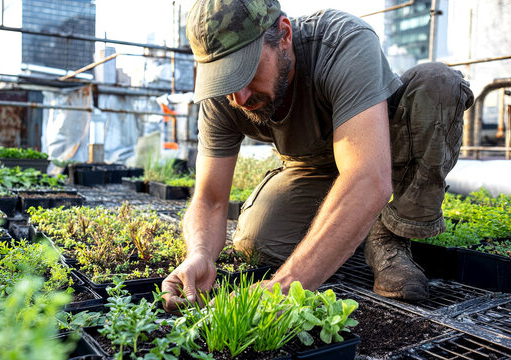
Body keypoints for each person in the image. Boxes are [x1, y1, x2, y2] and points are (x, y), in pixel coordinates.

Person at [161, 0, 474, 312]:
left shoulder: (342, 43)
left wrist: (285, 285)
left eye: (246, 71)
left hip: (385, 150)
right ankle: (353, 221)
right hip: (314, 164)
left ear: (284, 35)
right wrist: (200, 254)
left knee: (438, 83)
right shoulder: (224, 96)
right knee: (259, 242)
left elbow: (367, 177)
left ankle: (389, 237)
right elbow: (211, 198)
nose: (238, 96)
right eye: (224, 78)